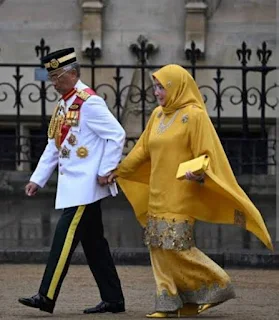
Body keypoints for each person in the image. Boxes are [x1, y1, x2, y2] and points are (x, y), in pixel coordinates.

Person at [108, 64, 273, 318]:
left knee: (177, 246)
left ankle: (219, 283)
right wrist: (117, 171)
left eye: (162, 87)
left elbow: (206, 154)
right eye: (155, 86)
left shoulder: (194, 116)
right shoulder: (157, 116)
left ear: (177, 86)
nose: (157, 92)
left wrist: (198, 170)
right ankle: (174, 302)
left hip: (182, 192)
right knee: (158, 247)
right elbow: (142, 151)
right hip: (157, 192)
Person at [18, 48, 126, 315]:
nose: (54, 83)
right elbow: (54, 145)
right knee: (94, 246)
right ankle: (113, 299)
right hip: (76, 186)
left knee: (62, 241)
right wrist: (37, 178)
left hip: (85, 188)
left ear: (73, 73)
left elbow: (117, 134)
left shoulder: (89, 102)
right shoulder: (64, 103)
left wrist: (107, 169)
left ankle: (46, 295)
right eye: (51, 78)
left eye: (58, 77)